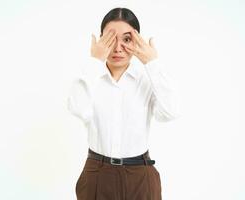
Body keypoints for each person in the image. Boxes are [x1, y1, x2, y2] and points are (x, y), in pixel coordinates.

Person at [66, 7, 180, 200]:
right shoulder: (91, 78)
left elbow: (171, 112)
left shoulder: (148, 79)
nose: (118, 48)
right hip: (97, 173)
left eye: (127, 39)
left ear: (137, 41)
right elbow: (77, 108)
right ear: (101, 40)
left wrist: (152, 63)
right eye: (110, 39)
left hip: (140, 175)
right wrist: (95, 60)